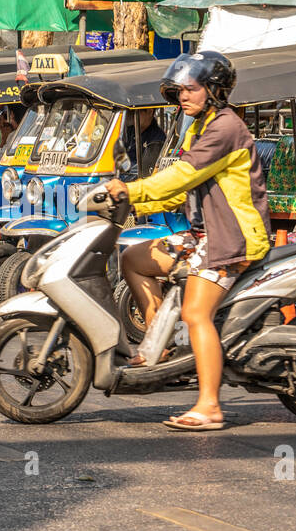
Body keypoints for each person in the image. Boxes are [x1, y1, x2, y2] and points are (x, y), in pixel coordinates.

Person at [104, 51, 271, 432]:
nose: (183, 97)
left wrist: (130, 189)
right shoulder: (199, 126)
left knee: (197, 314)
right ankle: (158, 347)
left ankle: (210, 406)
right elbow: (179, 192)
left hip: (231, 239)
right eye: (179, 90)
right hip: (201, 234)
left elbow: (181, 176)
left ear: (214, 91)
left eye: (191, 90)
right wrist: (131, 198)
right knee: (133, 259)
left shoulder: (225, 128)